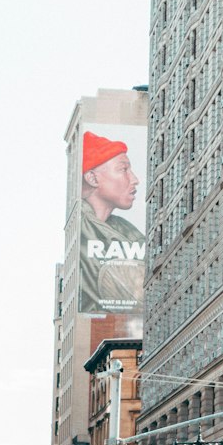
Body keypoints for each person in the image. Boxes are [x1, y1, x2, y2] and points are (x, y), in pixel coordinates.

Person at [78, 132, 145, 313]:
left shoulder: (125, 230)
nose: (135, 179)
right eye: (124, 169)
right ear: (92, 178)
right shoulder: (83, 231)